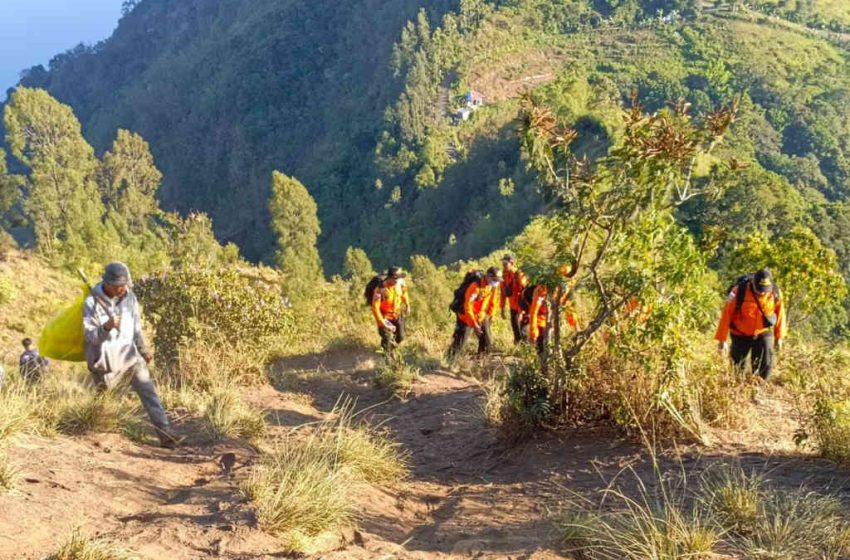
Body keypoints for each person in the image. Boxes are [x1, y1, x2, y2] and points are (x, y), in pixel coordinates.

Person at [83, 262, 178, 448]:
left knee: (149, 393)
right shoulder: (91, 303)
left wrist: (143, 349)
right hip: (105, 364)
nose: (123, 289)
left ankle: (165, 433)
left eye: (125, 284)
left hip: (130, 357)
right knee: (104, 404)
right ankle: (96, 437)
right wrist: (106, 327)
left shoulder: (130, 298)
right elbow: (91, 337)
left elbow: (136, 328)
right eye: (119, 286)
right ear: (107, 283)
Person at [715, 268, 785, 381]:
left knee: (765, 362)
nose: (762, 292)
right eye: (759, 289)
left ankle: (759, 387)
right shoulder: (738, 291)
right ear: (753, 283)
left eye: (765, 290)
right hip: (739, 333)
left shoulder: (775, 292)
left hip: (762, 332)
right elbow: (726, 315)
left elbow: (780, 315)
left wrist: (779, 337)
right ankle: (737, 388)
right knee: (737, 367)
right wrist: (722, 340)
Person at [449, 266, 502, 359]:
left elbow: (493, 302)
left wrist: (490, 316)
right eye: (495, 279)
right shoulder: (475, 287)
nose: (496, 282)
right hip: (466, 317)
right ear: (488, 277)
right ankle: (449, 360)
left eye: (498, 280)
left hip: (481, 315)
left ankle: (481, 361)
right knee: (461, 342)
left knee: (486, 341)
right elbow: (467, 307)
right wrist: (474, 324)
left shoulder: (492, 287)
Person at [372, 267, 408, 355]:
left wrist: (407, 304)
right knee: (387, 338)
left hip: (397, 315)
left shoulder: (400, 284)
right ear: (390, 278)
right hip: (384, 317)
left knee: (401, 337)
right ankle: (387, 358)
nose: (398, 280)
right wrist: (383, 323)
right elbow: (375, 308)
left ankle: (390, 348)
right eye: (396, 278)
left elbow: (404, 293)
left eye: (400, 278)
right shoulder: (380, 290)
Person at [500, 254, 528, 344]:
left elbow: (524, 293)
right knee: (515, 328)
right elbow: (503, 292)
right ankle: (518, 346)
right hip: (513, 306)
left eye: (505, 263)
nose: (503, 265)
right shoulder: (504, 275)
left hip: (522, 306)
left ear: (512, 263)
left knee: (523, 329)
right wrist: (502, 307)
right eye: (503, 263)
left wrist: (521, 311)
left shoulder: (519, 275)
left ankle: (526, 348)